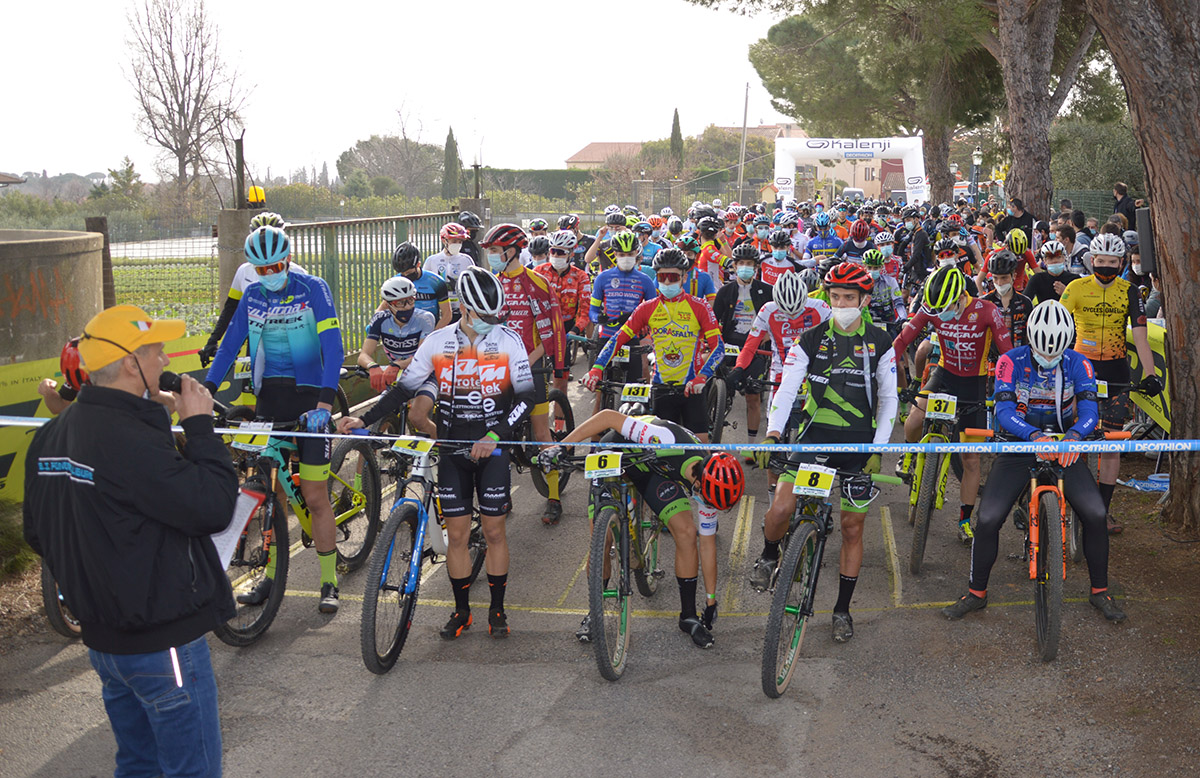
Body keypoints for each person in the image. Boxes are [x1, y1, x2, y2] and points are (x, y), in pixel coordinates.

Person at [25, 304, 237, 777]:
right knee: (192, 770)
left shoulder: (52, 436)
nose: (165, 359)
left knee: (138, 765)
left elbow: (39, 533)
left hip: (104, 643)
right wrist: (199, 427)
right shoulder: (130, 441)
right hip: (163, 642)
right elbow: (213, 508)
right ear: (129, 363)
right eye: (156, 349)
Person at [341, 267, 533, 639]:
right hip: (451, 447)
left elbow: (526, 398)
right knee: (457, 536)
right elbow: (402, 390)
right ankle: (462, 612)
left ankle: (497, 608)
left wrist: (496, 435)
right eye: (484, 316)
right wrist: (364, 421)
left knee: (494, 531)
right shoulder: (438, 341)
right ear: (465, 309)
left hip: (492, 448)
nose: (493, 323)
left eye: (497, 316)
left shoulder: (508, 339)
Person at [942, 300, 1127, 623]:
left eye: (1056, 354)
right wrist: (1032, 437)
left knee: (1096, 515)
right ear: (1029, 339)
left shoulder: (1080, 363)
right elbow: (1003, 411)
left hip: (1065, 446)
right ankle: (976, 592)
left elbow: (1089, 411)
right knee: (987, 519)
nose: (1049, 359)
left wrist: (1074, 438)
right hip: (1019, 446)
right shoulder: (1008, 361)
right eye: (1043, 353)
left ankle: (1100, 592)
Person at [748, 262, 898, 643]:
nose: (841, 303)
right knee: (780, 509)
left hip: (858, 446)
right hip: (813, 439)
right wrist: (773, 433)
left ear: (864, 300)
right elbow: (786, 387)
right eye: (835, 297)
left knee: (852, 527)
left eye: (849, 297)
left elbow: (888, 399)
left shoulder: (881, 342)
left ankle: (843, 610)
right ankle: (768, 555)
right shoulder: (811, 338)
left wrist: (877, 450)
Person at [205, 226, 345, 613]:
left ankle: (329, 582)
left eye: (277, 266)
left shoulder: (312, 287)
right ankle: (269, 576)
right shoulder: (251, 295)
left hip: (308, 398)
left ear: (289, 258)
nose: (270, 274)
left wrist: (324, 404)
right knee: (273, 494)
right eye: (261, 268)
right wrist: (207, 389)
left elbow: (334, 347)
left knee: (315, 497)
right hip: (270, 399)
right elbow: (230, 344)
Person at [543, 411, 745, 647]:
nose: (708, 507)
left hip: (654, 470)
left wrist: (711, 602)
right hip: (618, 451)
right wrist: (563, 447)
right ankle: (593, 611)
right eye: (708, 502)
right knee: (603, 538)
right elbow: (608, 416)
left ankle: (688, 617)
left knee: (688, 533)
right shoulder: (663, 438)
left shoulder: (708, 485)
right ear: (699, 484)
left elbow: (708, 546)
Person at [893, 265, 1012, 542]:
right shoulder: (932, 307)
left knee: (971, 460)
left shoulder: (986, 310)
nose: (939, 313)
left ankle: (965, 519)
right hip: (944, 375)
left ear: (960, 296)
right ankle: (909, 454)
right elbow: (903, 340)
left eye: (945, 307)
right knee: (913, 419)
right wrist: (883, 366)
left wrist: (1010, 388)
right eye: (934, 309)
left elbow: (1007, 354)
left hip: (974, 384)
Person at [1059, 233, 1162, 533]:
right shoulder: (1075, 288)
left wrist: (1151, 374)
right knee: (1072, 437)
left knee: (1112, 444)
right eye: (1100, 261)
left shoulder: (1130, 291)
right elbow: (1058, 327)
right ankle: (1065, 501)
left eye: (1112, 262)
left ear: (1121, 263)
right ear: (1091, 260)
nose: (1105, 267)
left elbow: (1141, 338)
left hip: (1116, 372)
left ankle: (1102, 511)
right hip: (1081, 370)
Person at [584, 248, 723, 441]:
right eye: (661, 277)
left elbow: (719, 348)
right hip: (661, 388)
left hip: (692, 388)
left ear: (684, 278)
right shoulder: (647, 308)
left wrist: (702, 376)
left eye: (672, 277)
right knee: (663, 453)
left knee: (700, 449)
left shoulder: (700, 306)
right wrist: (597, 368)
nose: (666, 282)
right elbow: (618, 339)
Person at [481, 223, 568, 526]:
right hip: (496, 369)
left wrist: (533, 364)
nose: (491, 256)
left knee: (541, 434)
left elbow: (550, 332)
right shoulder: (492, 283)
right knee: (495, 433)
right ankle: (500, 496)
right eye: (489, 251)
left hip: (530, 368)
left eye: (494, 250)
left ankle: (554, 496)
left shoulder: (537, 283)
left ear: (512, 251)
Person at [198, 212, 306, 367]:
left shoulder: (299, 274)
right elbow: (231, 308)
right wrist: (213, 340)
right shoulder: (244, 271)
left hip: (290, 341)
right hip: (256, 339)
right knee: (250, 386)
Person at [356, 276, 437, 437]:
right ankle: (370, 458)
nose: (407, 307)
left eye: (411, 301)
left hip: (425, 373)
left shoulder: (425, 318)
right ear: (387, 304)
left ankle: (441, 451)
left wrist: (397, 365)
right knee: (375, 421)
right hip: (397, 372)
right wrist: (372, 366)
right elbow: (363, 355)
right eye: (400, 303)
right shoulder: (380, 319)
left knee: (418, 417)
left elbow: (421, 357)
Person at [712, 244, 774, 457]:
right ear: (735, 266)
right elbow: (714, 322)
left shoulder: (767, 291)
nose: (745, 268)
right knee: (717, 388)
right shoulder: (725, 291)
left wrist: (764, 339)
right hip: (730, 345)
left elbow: (775, 323)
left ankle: (750, 445)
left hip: (756, 347)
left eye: (749, 264)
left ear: (756, 267)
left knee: (752, 397)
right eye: (741, 264)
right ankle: (714, 434)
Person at [536, 230, 592, 396]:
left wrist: (575, 330)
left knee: (560, 383)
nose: (555, 255)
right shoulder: (538, 271)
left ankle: (560, 419)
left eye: (560, 252)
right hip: (541, 325)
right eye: (552, 251)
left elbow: (584, 309)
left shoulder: (581, 276)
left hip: (566, 327)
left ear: (571, 253)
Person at [980, 249, 1033, 351]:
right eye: (995, 278)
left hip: (1018, 358)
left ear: (1014, 276)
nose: (999, 283)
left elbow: (1030, 335)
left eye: (1004, 278)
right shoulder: (984, 303)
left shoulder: (1025, 303)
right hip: (991, 361)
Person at [391, 241, 452, 329]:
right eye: (402, 273)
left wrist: (432, 336)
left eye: (408, 272)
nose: (405, 276)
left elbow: (447, 315)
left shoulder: (436, 282)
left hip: (430, 329)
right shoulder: (395, 281)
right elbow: (384, 307)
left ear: (418, 265)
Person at [425, 222, 477, 321]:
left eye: (460, 241)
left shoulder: (466, 260)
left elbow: (474, 284)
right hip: (440, 311)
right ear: (444, 240)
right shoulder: (432, 261)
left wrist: (459, 286)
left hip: (461, 310)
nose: (457, 244)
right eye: (454, 241)